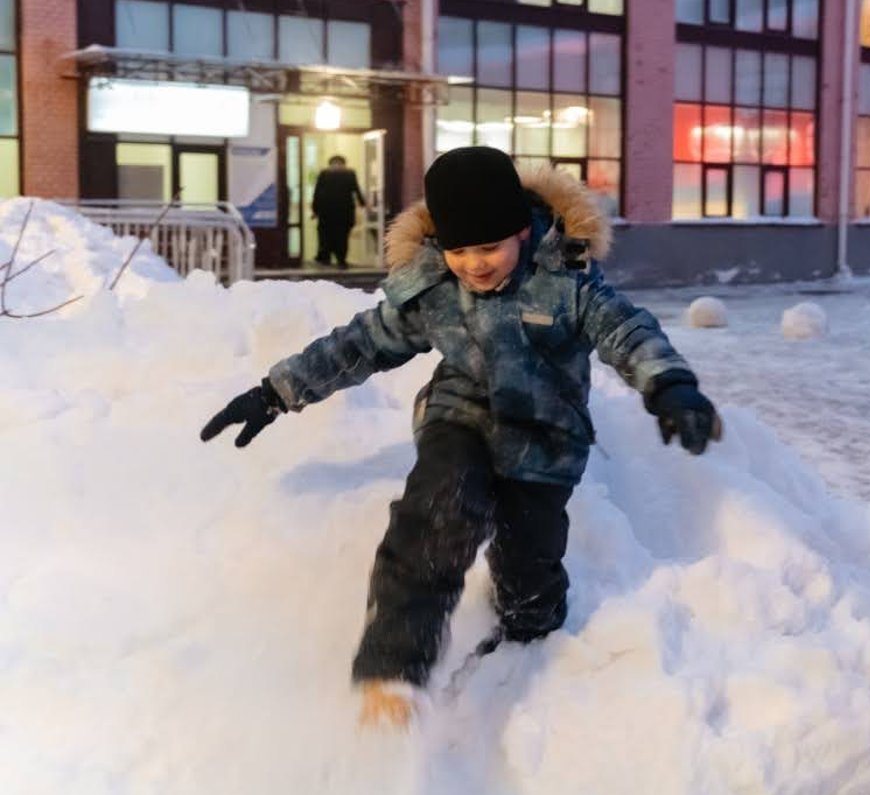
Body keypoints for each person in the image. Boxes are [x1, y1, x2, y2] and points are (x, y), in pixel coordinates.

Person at [201, 146, 720, 728]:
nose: (474, 265)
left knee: (530, 566)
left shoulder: (567, 282)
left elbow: (627, 333)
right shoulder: (434, 290)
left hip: (545, 438)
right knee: (436, 511)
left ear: (523, 232)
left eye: (489, 247)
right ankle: (395, 667)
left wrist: (669, 385)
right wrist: (276, 392)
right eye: (458, 250)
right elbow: (358, 345)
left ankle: (530, 636)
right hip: (460, 419)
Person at [311, 154, 365, 268]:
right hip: (344, 212)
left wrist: (315, 210)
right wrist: (362, 203)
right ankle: (341, 260)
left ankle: (325, 258)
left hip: (327, 212)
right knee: (342, 237)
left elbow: (317, 193)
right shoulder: (349, 174)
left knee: (326, 236)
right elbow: (356, 189)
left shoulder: (324, 174)